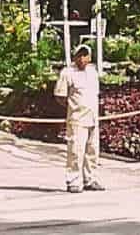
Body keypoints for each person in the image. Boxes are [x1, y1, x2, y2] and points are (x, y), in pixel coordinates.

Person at [54, 43, 104, 193]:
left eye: (86, 55)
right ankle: (73, 180)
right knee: (76, 151)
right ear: (75, 57)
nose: (83, 58)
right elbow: (60, 96)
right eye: (80, 55)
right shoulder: (67, 73)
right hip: (77, 119)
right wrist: (73, 108)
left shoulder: (93, 72)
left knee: (92, 151)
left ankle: (90, 179)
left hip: (93, 118)